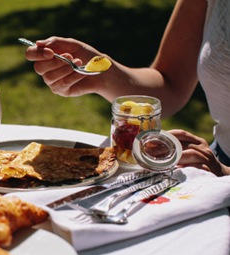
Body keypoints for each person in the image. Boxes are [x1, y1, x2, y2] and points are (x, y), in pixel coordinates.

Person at [23, 0, 230, 176]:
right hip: (214, 160)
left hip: (217, 171)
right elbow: (170, 84)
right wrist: (103, 76)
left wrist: (223, 172)